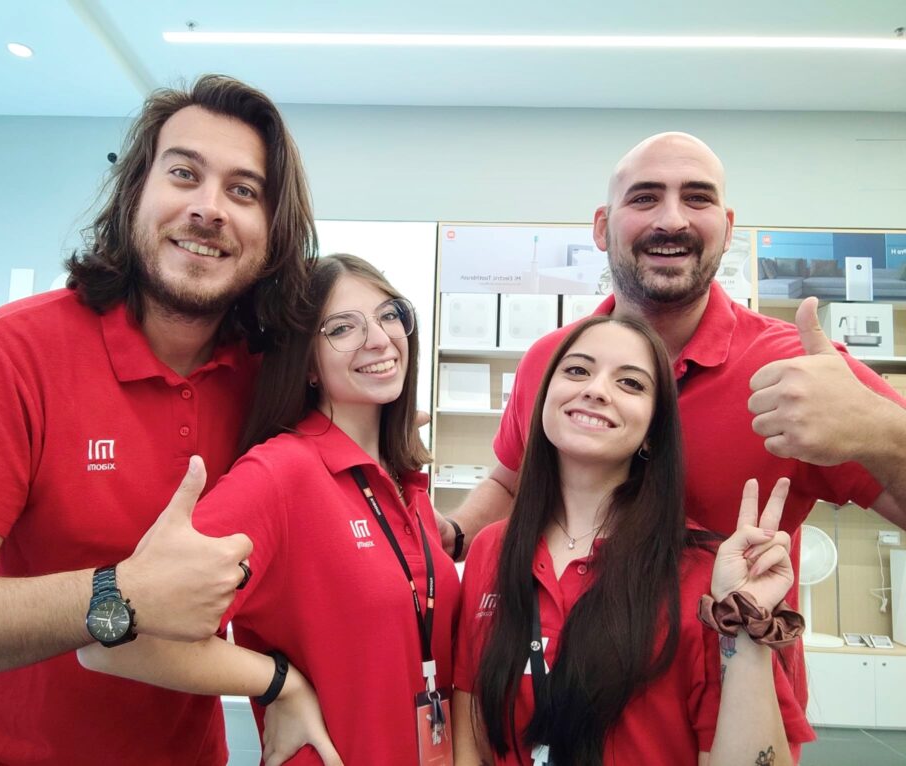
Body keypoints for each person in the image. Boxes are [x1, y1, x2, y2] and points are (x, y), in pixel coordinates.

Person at [0, 74, 317, 765]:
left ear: (274, 231)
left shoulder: (270, 383)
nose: (208, 209)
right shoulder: (10, 354)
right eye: (184, 174)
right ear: (136, 191)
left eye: (243, 191)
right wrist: (122, 593)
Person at [441, 131, 906, 708]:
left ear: (728, 228)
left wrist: (881, 429)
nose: (671, 220)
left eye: (697, 198)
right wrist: (452, 536)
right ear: (601, 227)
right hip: (553, 698)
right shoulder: (553, 361)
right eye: (644, 198)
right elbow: (513, 484)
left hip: (735, 707)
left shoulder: (798, 369)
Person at [79, 254, 460, 765]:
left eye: (389, 314)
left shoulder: (403, 480)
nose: (378, 338)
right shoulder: (280, 473)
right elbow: (114, 639)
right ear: (307, 364)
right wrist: (279, 683)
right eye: (342, 328)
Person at [453, 316, 812, 765]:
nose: (596, 390)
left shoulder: (704, 574)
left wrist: (744, 622)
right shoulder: (493, 549)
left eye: (630, 383)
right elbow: (470, 736)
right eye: (577, 370)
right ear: (542, 400)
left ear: (652, 433)